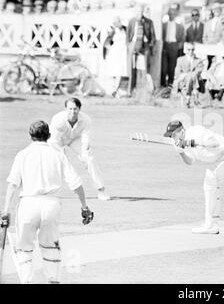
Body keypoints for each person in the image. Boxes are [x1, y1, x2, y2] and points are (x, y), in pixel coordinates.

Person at [0, 121, 93, 284]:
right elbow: (76, 183)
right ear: (49, 136)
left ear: (30, 136)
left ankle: (27, 281)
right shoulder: (58, 154)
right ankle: (52, 280)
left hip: (28, 204)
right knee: (50, 247)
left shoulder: (23, 154)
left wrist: (6, 210)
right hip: (51, 205)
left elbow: (13, 184)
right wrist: (84, 207)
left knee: (24, 248)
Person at [163, 120, 224, 234]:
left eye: (174, 135)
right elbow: (190, 161)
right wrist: (181, 152)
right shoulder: (184, 143)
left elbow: (214, 144)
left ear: (182, 131)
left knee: (210, 183)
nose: (173, 138)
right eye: (171, 136)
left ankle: (211, 225)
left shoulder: (195, 131)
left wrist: (189, 143)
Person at [49, 98, 111, 201]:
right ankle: (48, 191)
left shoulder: (86, 119)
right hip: (59, 140)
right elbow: (53, 141)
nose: (72, 112)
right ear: (65, 109)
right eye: (70, 109)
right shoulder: (57, 119)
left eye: (75, 109)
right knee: (55, 162)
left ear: (79, 109)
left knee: (90, 159)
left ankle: (101, 190)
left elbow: (86, 136)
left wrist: (85, 149)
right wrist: (61, 154)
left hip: (75, 139)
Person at [126, 4, 156, 97]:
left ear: (143, 12)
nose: (139, 13)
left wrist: (149, 45)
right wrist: (129, 45)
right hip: (133, 46)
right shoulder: (131, 21)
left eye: (141, 11)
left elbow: (153, 37)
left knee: (145, 70)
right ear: (135, 12)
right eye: (137, 11)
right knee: (132, 70)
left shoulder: (148, 22)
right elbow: (128, 36)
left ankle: (145, 92)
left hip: (144, 47)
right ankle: (130, 91)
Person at [173, 42, 205, 108]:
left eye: (192, 49)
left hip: (195, 79)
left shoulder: (198, 60)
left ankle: (188, 98)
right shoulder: (180, 59)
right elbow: (177, 72)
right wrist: (186, 75)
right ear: (185, 50)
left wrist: (189, 75)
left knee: (191, 76)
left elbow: (199, 70)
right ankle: (195, 96)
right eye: (189, 49)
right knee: (190, 76)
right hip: (183, 80)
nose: (191, 51)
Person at [103, 16, 128, 96]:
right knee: (113, 71)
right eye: (115, 22)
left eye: (118, 22)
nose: (117, 24)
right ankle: (113, 89)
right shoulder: (112, 30)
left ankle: (116, 89)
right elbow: (107, 42)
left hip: (123, 52)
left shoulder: (125, 29)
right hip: (115, 52)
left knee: (120, 71)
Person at [161, 8, 185, 87]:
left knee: (172, 66)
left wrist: (178, 47)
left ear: (175, 15)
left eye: (173, 14)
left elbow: (182, 37)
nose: (172, 15)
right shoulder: (164, 25)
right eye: (170, 14)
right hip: (165, 45)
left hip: (174, 46)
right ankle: (163, 83)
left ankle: (170, 82)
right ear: (168, 15)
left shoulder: (179, 26)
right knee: (164, 66)